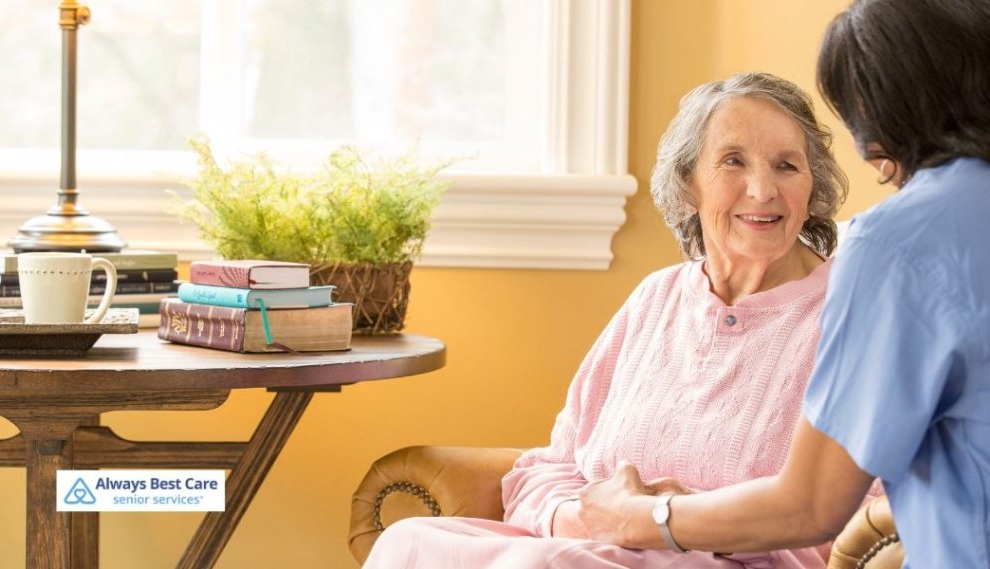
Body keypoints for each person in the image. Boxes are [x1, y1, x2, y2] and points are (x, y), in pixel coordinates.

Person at [363, 72, 859, 568]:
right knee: (408, 541)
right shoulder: (656, 298)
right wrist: (581, 520)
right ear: (688, 185)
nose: (761, 188)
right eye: (733, 161)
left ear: (812, 187)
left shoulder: (851, 316)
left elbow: (861, 516)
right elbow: (555, 464)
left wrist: (680, 523)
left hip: (731, 561)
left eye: (787, 166)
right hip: (585, 549)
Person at [576, 2, 990, 568]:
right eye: (732, 162)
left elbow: (816, 502)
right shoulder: (657, 297)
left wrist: (641, 519)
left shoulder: (895, 245)